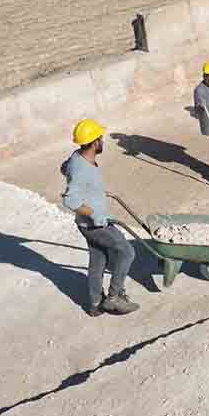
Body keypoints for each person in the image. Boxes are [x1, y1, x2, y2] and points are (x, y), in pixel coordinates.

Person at [62, 119, 138, 316]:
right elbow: (70, 200)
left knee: (98, 260)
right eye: (101, 139)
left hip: (86, 224)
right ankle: (113, 298)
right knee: (127, 251)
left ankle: (95, 304)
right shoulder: (81, 168)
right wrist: (95, 214)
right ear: (95, 142)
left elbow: (64, 168)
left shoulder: (76, 157)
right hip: (95, 225)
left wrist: (93, 191)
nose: (102, 142)